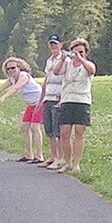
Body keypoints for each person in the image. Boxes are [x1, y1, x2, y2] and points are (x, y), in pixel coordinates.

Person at [0, 56, 45, 163]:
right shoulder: (11, 79)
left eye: (13, 68)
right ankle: (29, 155)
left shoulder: (24, 76)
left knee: (35, 127)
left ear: (19, 67)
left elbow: (16, 88)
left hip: (40, 102)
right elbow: (0, 89)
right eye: (8, 69)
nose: (11, 70)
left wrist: (3, 98)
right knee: (25, 127)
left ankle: (39, 156)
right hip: (31, 104)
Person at [48, 37, 96, 174]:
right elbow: (56, 71)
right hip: (67, 100)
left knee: (80, 132)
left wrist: (81, 59)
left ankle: (76, 164)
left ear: (85, 52)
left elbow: (92, 70)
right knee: (64, 133)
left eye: (81, 52)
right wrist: (63, 59)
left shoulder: (87, 64)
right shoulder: (68, 64)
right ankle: (67, 162)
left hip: (82, 101)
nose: (78, 54)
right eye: (75, 52)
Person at [37, 35, 66, 168]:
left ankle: (60, 158)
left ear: (61, 45)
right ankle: (53, 156)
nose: (53, 46)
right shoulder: (49, 60)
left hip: (58, 97)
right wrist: (41, 98)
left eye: (55, 44)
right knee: (49, 130)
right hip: (48, 97)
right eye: (51, 44)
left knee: (57, 130)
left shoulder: (65, 59)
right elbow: (46, 79)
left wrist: (63, 97)